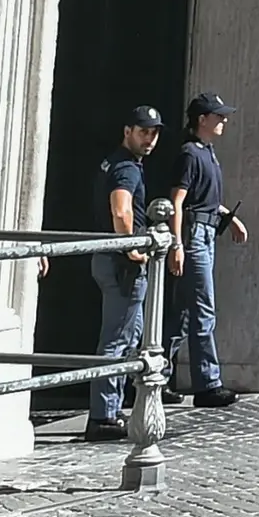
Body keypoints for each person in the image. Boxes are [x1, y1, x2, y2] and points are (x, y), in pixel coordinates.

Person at [85, 105, 165, 439]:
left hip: (106, 258)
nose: (150, 139)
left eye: (154, 133)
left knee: (124, 336)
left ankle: (111, 409)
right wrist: (131, 246)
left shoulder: (113, 162)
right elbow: (120, 209)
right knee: (118, 340)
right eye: (144, 131)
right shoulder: (127, 169)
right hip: (122, 265)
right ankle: (103, 416)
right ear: (127, 131)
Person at [165, 91, 249, 408]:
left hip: (207, 231)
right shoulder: (190, 153)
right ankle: (207, 383)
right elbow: (178, 201)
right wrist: (178, 244)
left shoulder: (207, 153)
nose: (224, 120)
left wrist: (232, 218)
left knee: (183, 315)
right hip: (194, 235)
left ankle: (157, 377)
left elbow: (207, 200)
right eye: (218, 116)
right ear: (202, 120)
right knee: (202, 309)